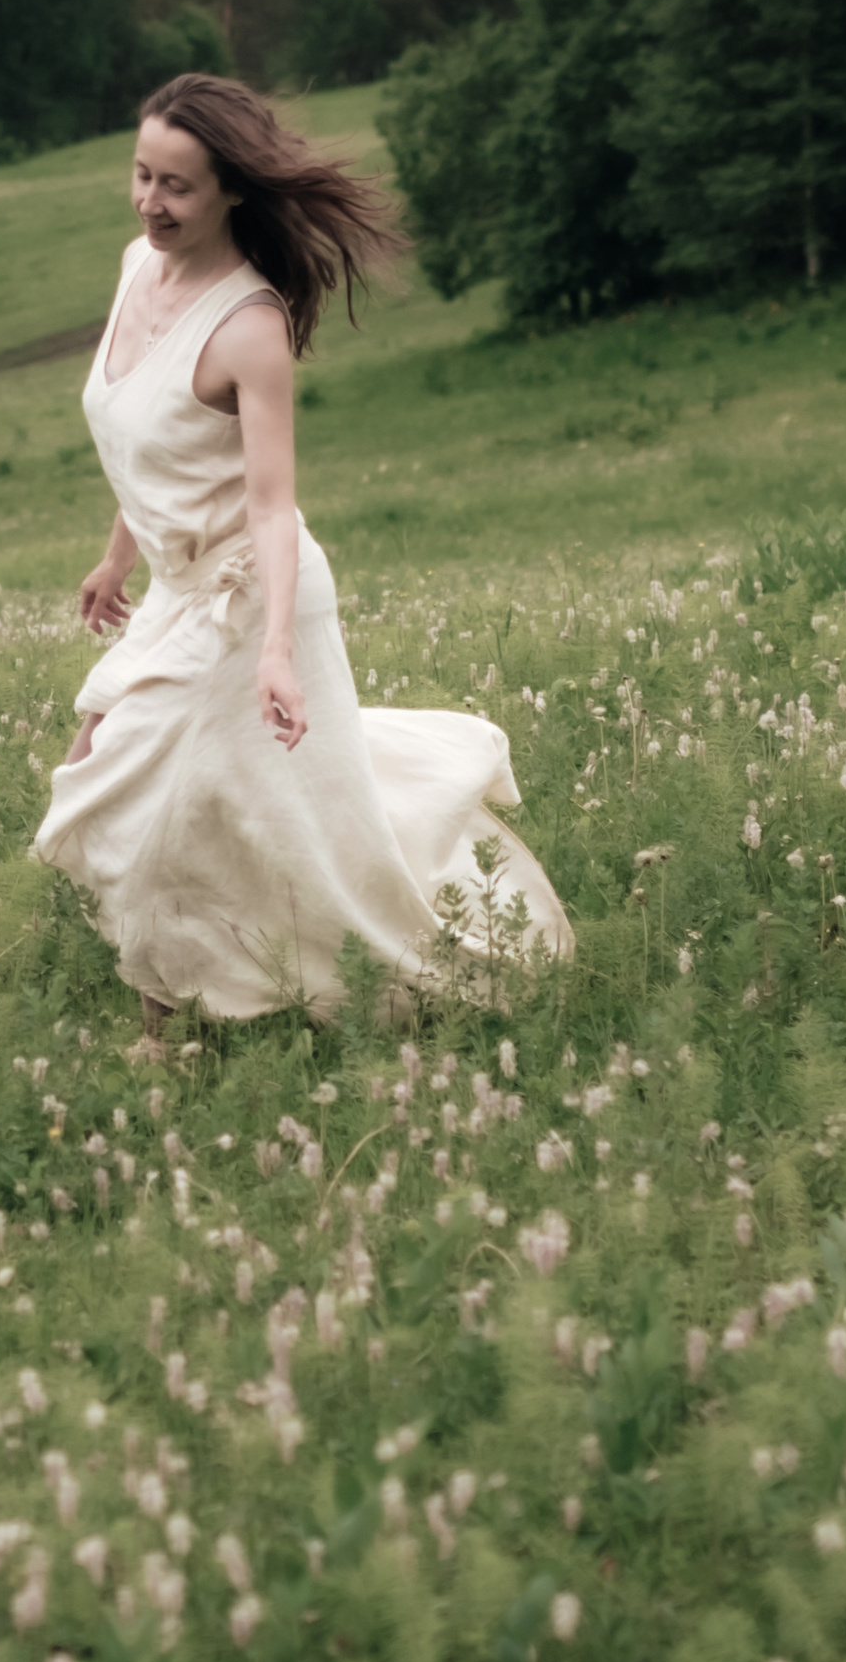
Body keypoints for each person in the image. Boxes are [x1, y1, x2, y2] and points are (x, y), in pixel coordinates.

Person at [32, 72, 572, 1032]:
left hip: (250, 598)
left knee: (132, 799)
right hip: (177, 587)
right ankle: (185, 998)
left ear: (232, 190)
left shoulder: (249, 327)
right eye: (142, 176)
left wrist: (276, 650)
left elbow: (274, 508)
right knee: (159, 795)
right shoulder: (133, 270)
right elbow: (142, 437)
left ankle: (169, 1041)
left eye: (178, 187)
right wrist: (117, 557)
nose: (152, 203)